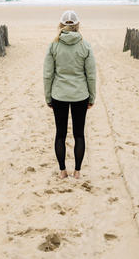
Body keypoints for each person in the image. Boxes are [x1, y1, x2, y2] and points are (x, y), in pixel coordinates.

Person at [43, 10, 96, 179]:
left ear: (61, 25)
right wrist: (92, 96)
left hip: (59, 95)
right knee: (79, 134)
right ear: (77, 25)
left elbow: (48, 74)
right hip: (80, 95)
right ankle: (78, 172)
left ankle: (62, 171)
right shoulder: (85, 45)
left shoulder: (54, 45)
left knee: (60, 133)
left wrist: (48, 96)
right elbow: (91, 75)